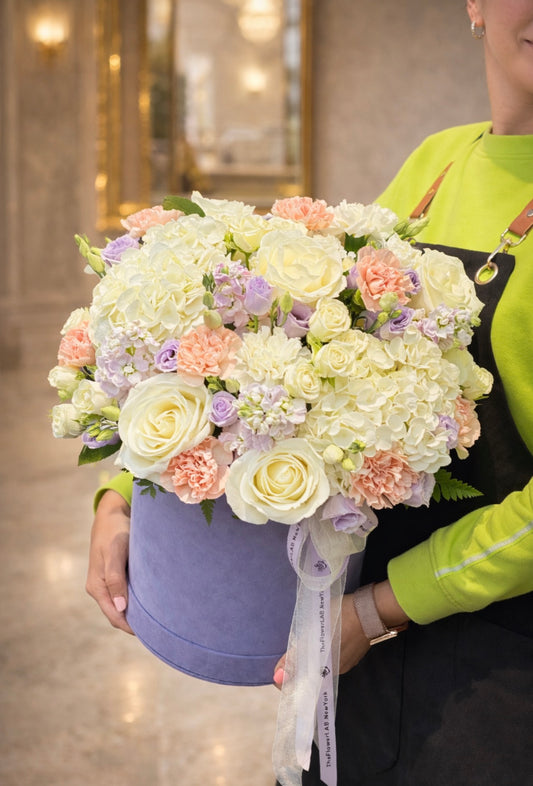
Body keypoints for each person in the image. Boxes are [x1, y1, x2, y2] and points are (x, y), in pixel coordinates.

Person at [86, 0, 533, 782]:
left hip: (501, 662)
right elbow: (303, 355)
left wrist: (374, 610)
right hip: (369, 644)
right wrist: (125, 492)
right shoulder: (439, 162)